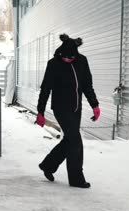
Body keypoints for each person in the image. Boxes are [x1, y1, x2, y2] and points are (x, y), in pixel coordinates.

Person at [35, 34, 100, 188]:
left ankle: (48, 165)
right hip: (61, 108)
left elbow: (87, 85)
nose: (68, 60)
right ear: (60, 53)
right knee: (76, 140)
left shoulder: (82, 61)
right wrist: (40, 112)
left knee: (70, 140)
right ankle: (77, 179)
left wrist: (94, 105)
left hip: (76, 108)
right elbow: (45, 89)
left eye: (71, 58)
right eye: (65, 58)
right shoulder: (53, 64)